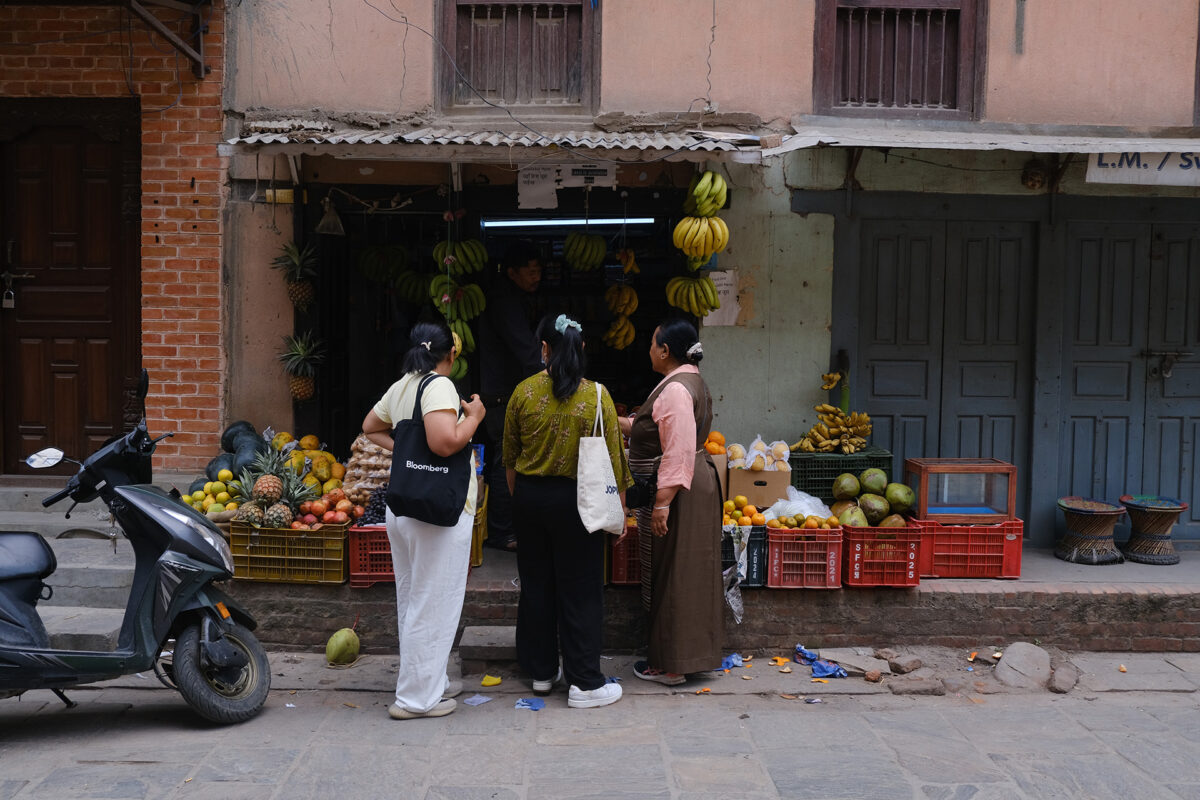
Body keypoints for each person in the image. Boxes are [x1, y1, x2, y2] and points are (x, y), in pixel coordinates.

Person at [503, 313, 633, 708]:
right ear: (581, 348)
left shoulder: (523, 393)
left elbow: (510, 458)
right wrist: (620, 513)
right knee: (580, 592)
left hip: (529, 499)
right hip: (580, 504)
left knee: (537, 587)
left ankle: (541, 673)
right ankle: (585, 683)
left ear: (543, 348)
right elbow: (614, 461)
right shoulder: (596, 396)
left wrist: (523, 499)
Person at [361, 320, 485, 719]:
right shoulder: (440, 385)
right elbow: (444, 441)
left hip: (406, 509)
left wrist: (402, 452)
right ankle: (416, 700)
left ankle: (430, 681)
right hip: (436, 511)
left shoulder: (402, 386)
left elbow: (370, 427)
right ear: (451, 354)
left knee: (416, 599)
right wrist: (476, 417)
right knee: (434, 602)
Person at [618, 318, 723, 685]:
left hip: (679, 491)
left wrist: (662, 504)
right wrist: (622, 422)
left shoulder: (677, 389)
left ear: (664, 351)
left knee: (675, 575)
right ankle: (689, 655)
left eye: (651, 344)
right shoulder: (687, 381)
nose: (648, 350)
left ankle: (672, 664)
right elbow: (659, 428)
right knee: (686, 572)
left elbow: (677, 450)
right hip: (691, 487)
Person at [477, 241, 543, 552]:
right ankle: (501, 532)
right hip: (502, 397)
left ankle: (505, 528)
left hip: (504, 393)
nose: (537, 277)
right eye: (530, 272)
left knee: (508, 460)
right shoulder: (504, 301)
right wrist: (550, 375)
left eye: (538, 271)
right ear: (512, 272)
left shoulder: (512, 297)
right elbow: (526, 350)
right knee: (507, 462)